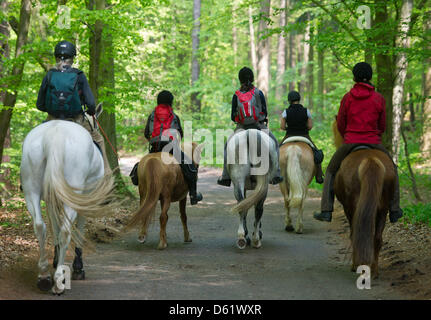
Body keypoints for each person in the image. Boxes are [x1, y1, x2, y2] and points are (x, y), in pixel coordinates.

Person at [313, 62, 403, 223]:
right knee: (393, 169)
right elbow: (382, 126)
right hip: (374, 142)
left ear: (354, 77)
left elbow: (340, 123)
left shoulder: (347, 97)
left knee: (331, 171)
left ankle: (326, 210)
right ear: (370, 77)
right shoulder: (379, 98)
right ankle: (395, 209)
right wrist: (374, 135)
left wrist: (348, 135)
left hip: (351, 142)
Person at [36, 40, 110, 174]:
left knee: (33, 139)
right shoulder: (79, 75)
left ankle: (27, 179)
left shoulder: (49, 75)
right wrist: (90, 110)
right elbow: (91, 104)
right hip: (76, 120)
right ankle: (106, 174)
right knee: (98, 139)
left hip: (52, 119)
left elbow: (39, 105)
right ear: (72, 58)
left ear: (56, 57)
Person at [217, 67, 283, 186]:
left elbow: (233, 116)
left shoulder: (236, 95)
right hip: (258, 126)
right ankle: (276, 174)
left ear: (240, 79)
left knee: (227, 146)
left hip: (241, 127)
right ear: (252, 79)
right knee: (274, 144)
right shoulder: (258, 93)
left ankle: (225, 176)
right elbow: (264, 111)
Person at [143, 90, 203, 205]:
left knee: (139, 168)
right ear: (170, 102)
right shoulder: (174, 116)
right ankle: (193, 195)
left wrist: (153, 141)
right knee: (191, 168)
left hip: (155, 147)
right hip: (170, 147)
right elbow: (180, 134)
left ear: (158, 101)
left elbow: (146, 133)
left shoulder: (152, 115)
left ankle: (139, 182)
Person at [280, 90, 324, 184]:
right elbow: (310, 126)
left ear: (289, 100)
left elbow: (282, 127)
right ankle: (319, 175)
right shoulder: (306, 111)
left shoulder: (285, 112)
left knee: (277, 152)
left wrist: (290, 127)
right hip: (304, 135)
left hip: (289, 135)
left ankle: (275, 174)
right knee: (317, 153)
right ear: (298, 99)